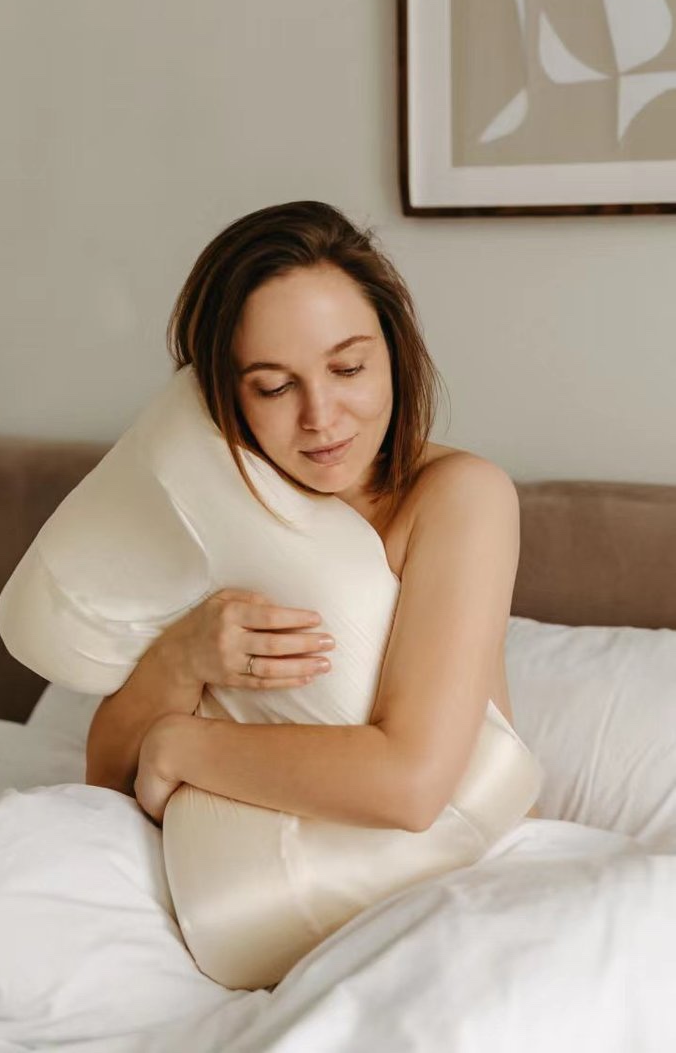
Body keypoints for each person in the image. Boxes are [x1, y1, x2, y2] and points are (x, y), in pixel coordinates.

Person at [86, 199, 540, 826]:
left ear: (394, 352)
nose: (321, 417)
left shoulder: (458, 496)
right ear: (224, 394)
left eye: (347, 368)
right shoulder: (207, 505)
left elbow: (411, 789)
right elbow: (105, 781)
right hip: (241, 866)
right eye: (274, 386)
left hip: (462, 861)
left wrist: (180, 745)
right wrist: (183, 657)